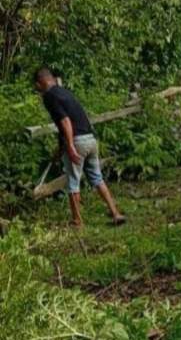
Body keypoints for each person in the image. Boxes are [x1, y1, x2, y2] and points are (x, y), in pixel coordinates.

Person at [33, 68, 126, 228]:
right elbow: (75, 119)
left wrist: (69, 146)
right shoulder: (65, 93)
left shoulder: (49, 96)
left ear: (41, 83)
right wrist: (61, 146)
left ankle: (77, 221)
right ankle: (115, 213)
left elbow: (66, 122)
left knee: (73, 182)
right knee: (97, 178)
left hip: (77, 142)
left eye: (37, 86)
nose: (37, 90)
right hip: (90, 139)